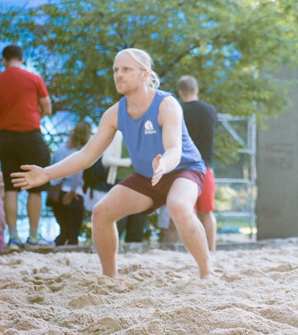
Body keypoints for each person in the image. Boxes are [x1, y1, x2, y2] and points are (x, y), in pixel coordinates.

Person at [11, 48, 213, 279]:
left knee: (178, 206)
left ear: (144, 75)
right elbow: (86, 155)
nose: (118, 74)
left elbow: (175, 150)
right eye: (116, 70)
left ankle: (207, 274)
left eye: (126, 69)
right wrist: (47, 173)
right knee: (101, 212)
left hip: (182, 170)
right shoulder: (114, 114)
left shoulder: (167, 104)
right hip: (146, 176)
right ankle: (110, 279)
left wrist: (164, 164)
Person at [0, 45, 52, 249]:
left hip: (6, 138)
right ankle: (33, 237)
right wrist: (33, 116)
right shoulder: (34, 79)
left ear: (3, 60)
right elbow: (47, 108)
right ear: (22, 59)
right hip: (30, 137)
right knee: (35, 186)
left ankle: (13, 239)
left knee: (11, 188)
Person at [173, 75, 218, 250]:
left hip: (184, 168)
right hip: (205, 166)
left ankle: (189, 249)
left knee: (184, 211)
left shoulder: (177, 110)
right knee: (207, 212)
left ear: (180, 92)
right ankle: (211, 249)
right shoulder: (210, 110)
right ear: (196, 89)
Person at [49, 122, 91, 246]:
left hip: (57, 193)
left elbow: (52, 167)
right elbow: (78, 172)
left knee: (63, 230)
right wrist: (72, 191)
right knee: (73, 234)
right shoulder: (81, 152)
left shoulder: (59, 150)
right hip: (74, 193)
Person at [102, 131, 148, 243]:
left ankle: (134, 254)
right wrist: (129, 162)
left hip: (142, 183)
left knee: (138, 221)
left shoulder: (147, 134)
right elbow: (106, 160)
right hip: (121, 182)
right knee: (119, 221)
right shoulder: (117, 134)